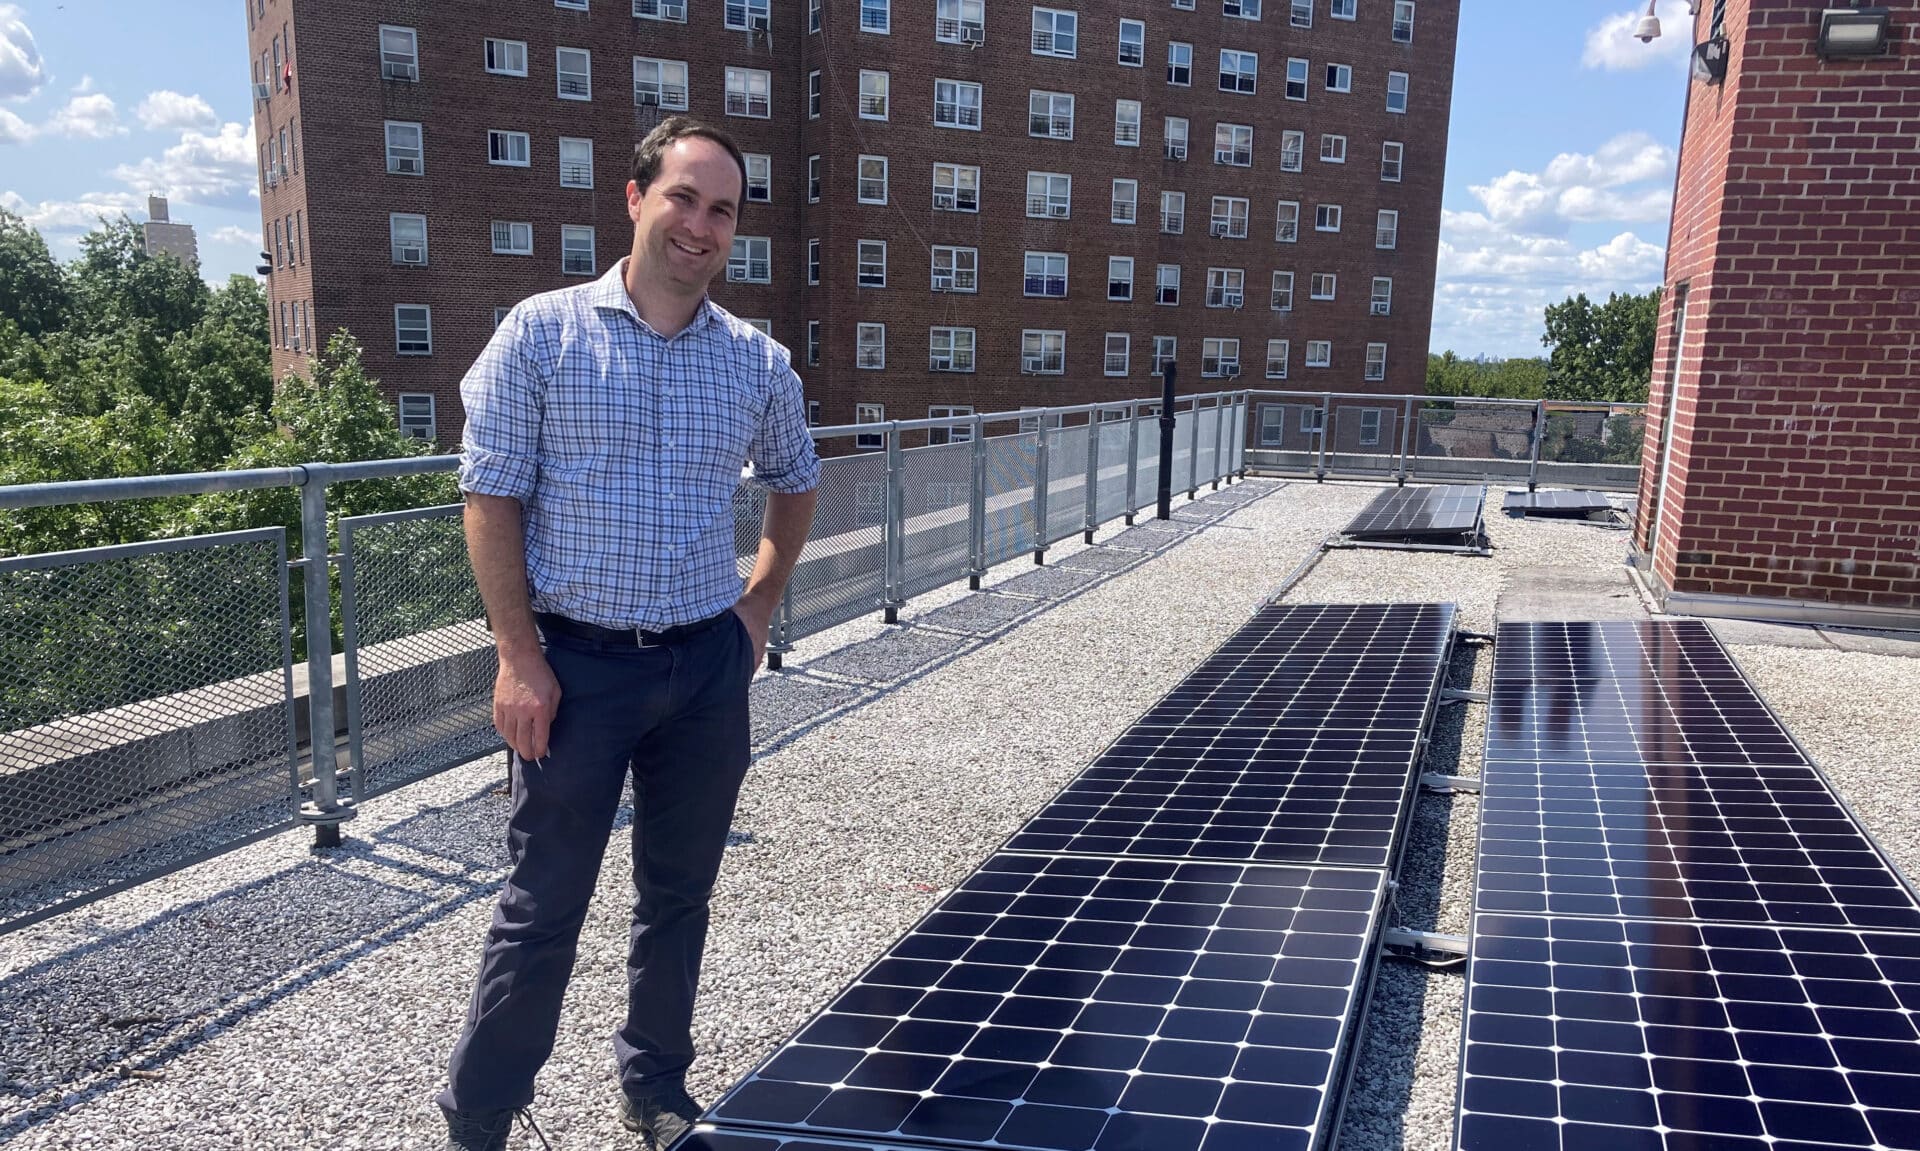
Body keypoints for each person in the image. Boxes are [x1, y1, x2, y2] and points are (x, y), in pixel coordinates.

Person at [438, 116, 820, 1151]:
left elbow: (798, 481)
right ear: (633, 198)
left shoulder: (756, 362)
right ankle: (479, 1111)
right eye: (683, 197)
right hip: (575, 669)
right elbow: (490, 496)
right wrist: (518, 657)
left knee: (678, 894)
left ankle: (654, 1088)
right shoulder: (541, 331)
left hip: (704, 666)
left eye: (722, 210)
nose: (700, 225)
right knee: (541, 901)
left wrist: (755, 610)